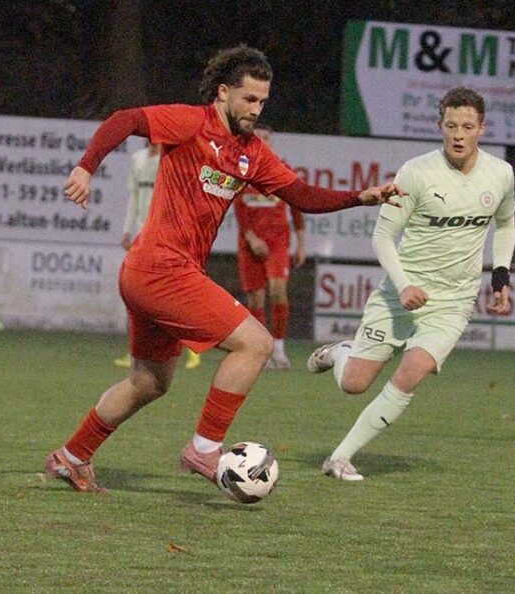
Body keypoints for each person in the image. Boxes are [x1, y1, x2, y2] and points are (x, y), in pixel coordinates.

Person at [45, 45, 404, 493]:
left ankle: (72, 456)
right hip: (160, 267)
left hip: (151, 272)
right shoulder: (191, 122)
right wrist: (85, 167)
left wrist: (359, 197)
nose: (256, 109)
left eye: (262, 102)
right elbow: (125, 119)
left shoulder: (252, 153)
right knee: (255, 343)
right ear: (223, 93)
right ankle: (204, 448)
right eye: (249, 99)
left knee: (150, 381)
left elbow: (302, 195)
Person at [306, 86, 515, 481]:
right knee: (354, 385)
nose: (458, 134)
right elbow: (382, 238)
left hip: (453, 301)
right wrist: (403, 286)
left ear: (482, 129)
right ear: (440, 126)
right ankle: (341, 353)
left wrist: (500, 274)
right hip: (398, 295)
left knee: (411, 373)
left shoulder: (500, 174)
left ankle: (340, 457)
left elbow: (505, 224)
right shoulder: (416, 173)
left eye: (467, 126)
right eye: (451, 125)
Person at [114, 142, 201, 370]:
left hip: (164, 231)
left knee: (175, 294)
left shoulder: (172, 156)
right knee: (137, 294)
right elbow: (133, 197)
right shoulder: (138, 158)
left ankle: (193, 348)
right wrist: (127, 229)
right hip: (143, 231)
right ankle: (135, 351)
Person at [233, 122, 306, 370]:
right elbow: (239, 207)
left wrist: (301, 244)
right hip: (249, 243)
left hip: (277, 242)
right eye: (258, 137)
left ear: (272, 142)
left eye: (267, 137)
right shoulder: (243, 171)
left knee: (277, 290)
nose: (263, 140)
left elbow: (297, 209)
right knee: (255, 297)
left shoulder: (283, 170)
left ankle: (279, 348)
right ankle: (261, 349)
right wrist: (251, 237)